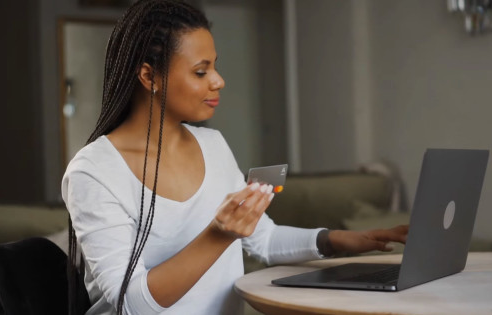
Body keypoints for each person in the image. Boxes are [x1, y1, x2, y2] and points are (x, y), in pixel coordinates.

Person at [61, 1, 409, 314]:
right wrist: (219, 234)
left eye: (215, 67)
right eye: (201, 71)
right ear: (149, 75)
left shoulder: (212, 145)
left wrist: (339, 240)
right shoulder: (93, 172)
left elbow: (264, 240)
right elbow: (132, 304)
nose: (219, 81)